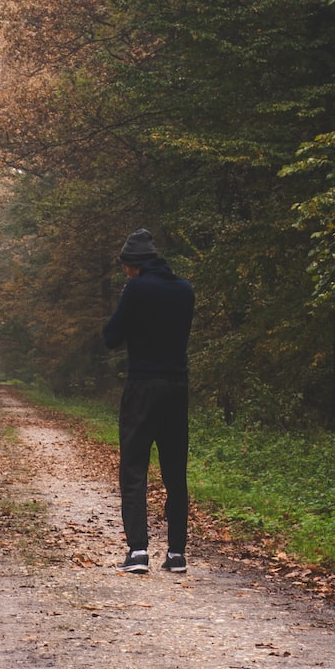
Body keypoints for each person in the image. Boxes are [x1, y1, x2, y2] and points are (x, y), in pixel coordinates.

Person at [101, 229, 194, 574]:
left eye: (126, 268)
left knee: (134, 468)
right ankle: (176, 553)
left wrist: (129, 300)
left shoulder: (137, 288)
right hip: (177, 387)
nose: (125, 273)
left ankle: (138, 551)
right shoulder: (185, 289)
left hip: (142, 386)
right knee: (174, 471)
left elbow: (112, 337)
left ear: (133, 265)